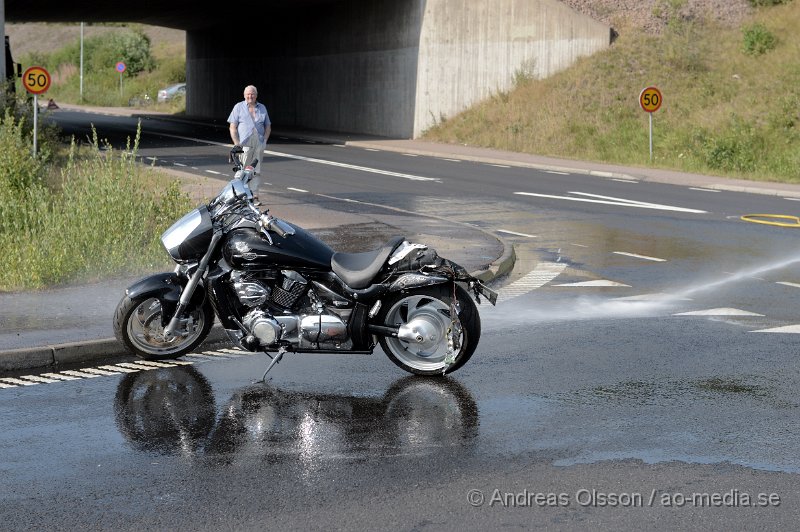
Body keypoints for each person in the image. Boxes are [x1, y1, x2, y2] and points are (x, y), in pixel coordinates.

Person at [227, 85, 271, 197]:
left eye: (252, 94)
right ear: (244, 95)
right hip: (244, 143)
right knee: (243, 170)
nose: (250, 96)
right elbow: (232, 127)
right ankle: (241, 194)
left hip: (259, 142)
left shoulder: (262, 108)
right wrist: (237, 143)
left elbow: (268, 126)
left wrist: (264, 141)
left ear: (256, 95)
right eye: (248, 94)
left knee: (256, 169)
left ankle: (254, 195)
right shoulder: (238, 107)